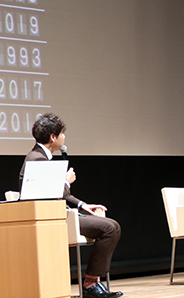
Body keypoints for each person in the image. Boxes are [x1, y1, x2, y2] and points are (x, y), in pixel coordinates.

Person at [20, 113, 122, 298]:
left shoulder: (41, 157)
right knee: (109, 229)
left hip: (58, 215)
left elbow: (62, 195)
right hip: (50, 220)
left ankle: (93, 281)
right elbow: (49, 194)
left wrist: (83, 205)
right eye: (62, 133)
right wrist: (66, 181)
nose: (64, 137)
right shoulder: (37, 159)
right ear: (53, 137)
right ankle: (91, 283)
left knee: (113, 226)